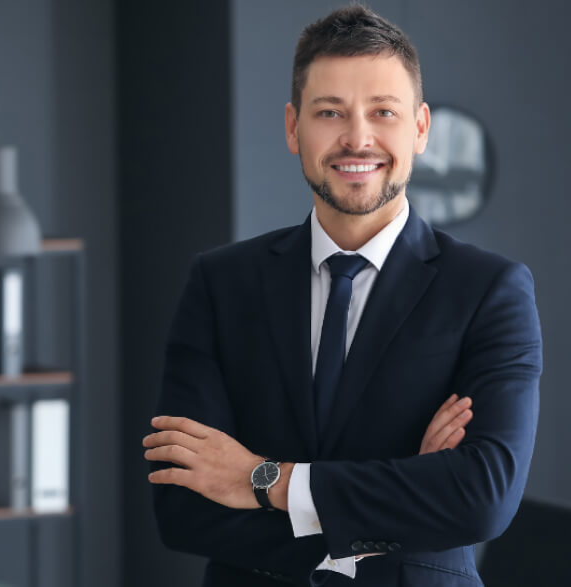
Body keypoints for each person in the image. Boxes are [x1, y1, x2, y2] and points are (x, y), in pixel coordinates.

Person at [143, 5, 541, 586]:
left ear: (421, 128)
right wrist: (408, 492)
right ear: (292, 127)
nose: (358, 138)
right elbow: (180, 509)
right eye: (330, 112)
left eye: (383, 112)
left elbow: (482, 498)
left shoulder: (489, 291)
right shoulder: (220, 285)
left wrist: (261, 480)